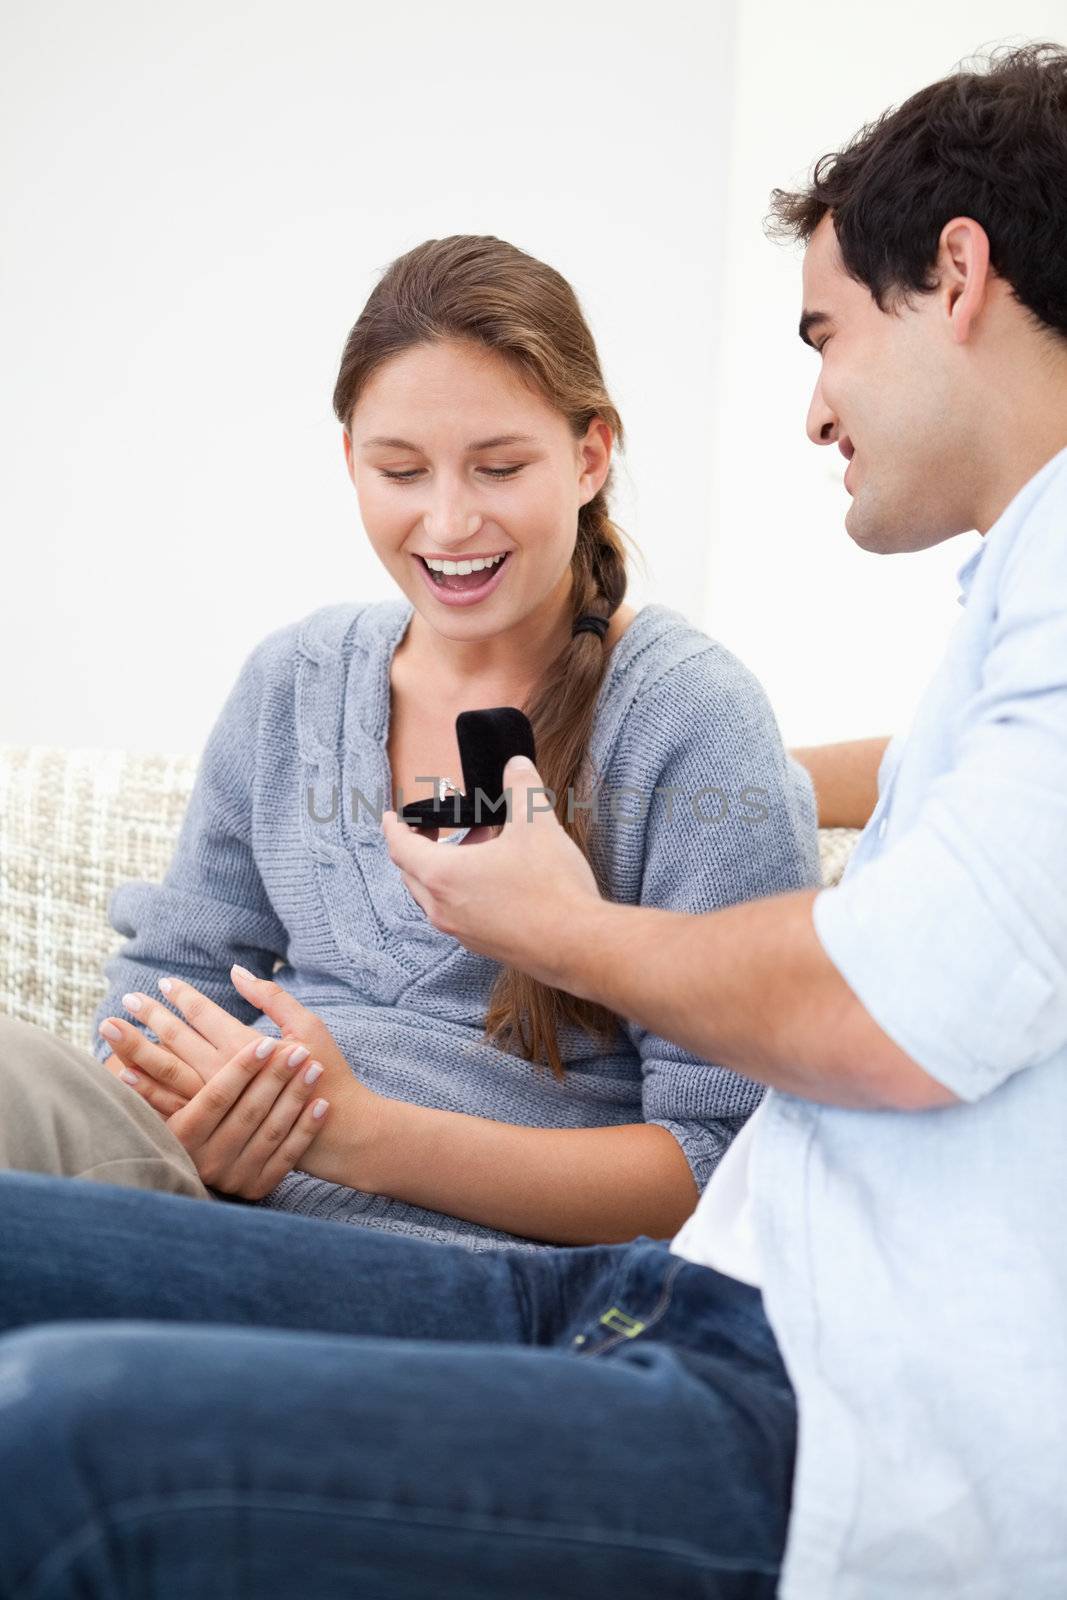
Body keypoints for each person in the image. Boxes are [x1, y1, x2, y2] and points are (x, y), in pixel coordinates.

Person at [2, 39, 1063, 1600]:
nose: (813, 406)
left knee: (56, 1441)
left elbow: (871, 1015)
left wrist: (547, 940)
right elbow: (968, 812)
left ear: (953, 275)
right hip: (688, 1306)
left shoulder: (766, 685)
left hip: (752, 1365)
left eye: (823, 334)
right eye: (398, 467)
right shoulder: (1008, 604)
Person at [0, 234, 821, 1251]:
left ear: (589, 456)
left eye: (499, 466)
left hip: (464, 1274)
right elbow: (168, 984)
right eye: (400, 469)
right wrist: (195, 1112)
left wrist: (362, 1139)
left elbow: (729, 1165)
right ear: (349, 460)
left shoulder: (689, 718)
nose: (446, 520)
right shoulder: (293, 682)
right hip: (209, 1203)